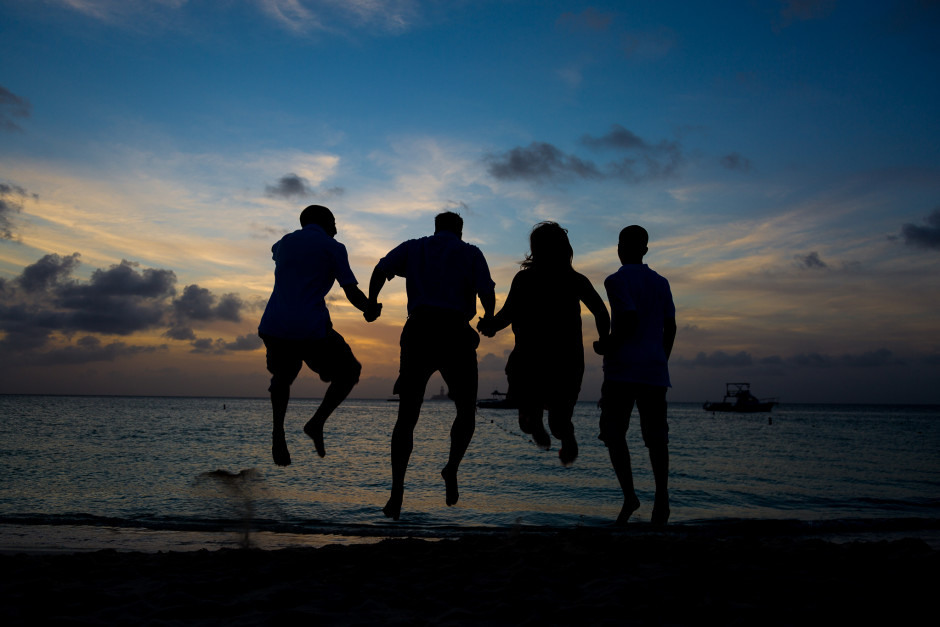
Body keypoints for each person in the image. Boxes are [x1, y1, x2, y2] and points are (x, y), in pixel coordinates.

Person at [367, 211, 495, 520]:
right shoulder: (471, 252)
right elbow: (487, 292)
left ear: (436, 227)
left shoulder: (414, 247)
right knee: (465, 412)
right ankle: (451, 468)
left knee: (407, 416)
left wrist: (372, 302)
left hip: (420, 331)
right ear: (460, 231)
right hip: (455, 333)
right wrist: (489, 317)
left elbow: (381, 269)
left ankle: (396, 493)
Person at [477, 222, 609, 466]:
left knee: (533, 420)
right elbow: (602, 313)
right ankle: (563, 435)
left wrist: (490, 326)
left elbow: (506, 315)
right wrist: (603, 340)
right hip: (562, 362)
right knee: (557, 422)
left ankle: (548, 429)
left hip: (534, 361)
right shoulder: (574, 280)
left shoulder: (528, 279)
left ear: (535, 249)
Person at [258, 205, 381, 466]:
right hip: (310, 327)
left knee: (282, 377)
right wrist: (369, 309)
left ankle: (278, 434)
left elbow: (274, 252)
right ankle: (316, 422)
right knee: (349, 372)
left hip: (274, 325)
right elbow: (350, 290)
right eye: (334, 221)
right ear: (325, 222)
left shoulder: (284, 242)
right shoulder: (333, 247)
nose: (337, 227)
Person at [596, 225, 676, 525]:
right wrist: (660, 359)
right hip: (654, 370)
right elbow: (671, 327)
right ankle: (662, 500)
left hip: (622, 370)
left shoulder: (616, 281)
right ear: (644, 249)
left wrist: (606, 345)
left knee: (614, 433)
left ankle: (630, 495)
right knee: (657, 438)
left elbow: (627, 319)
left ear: (620, 247)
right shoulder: (661, 282)